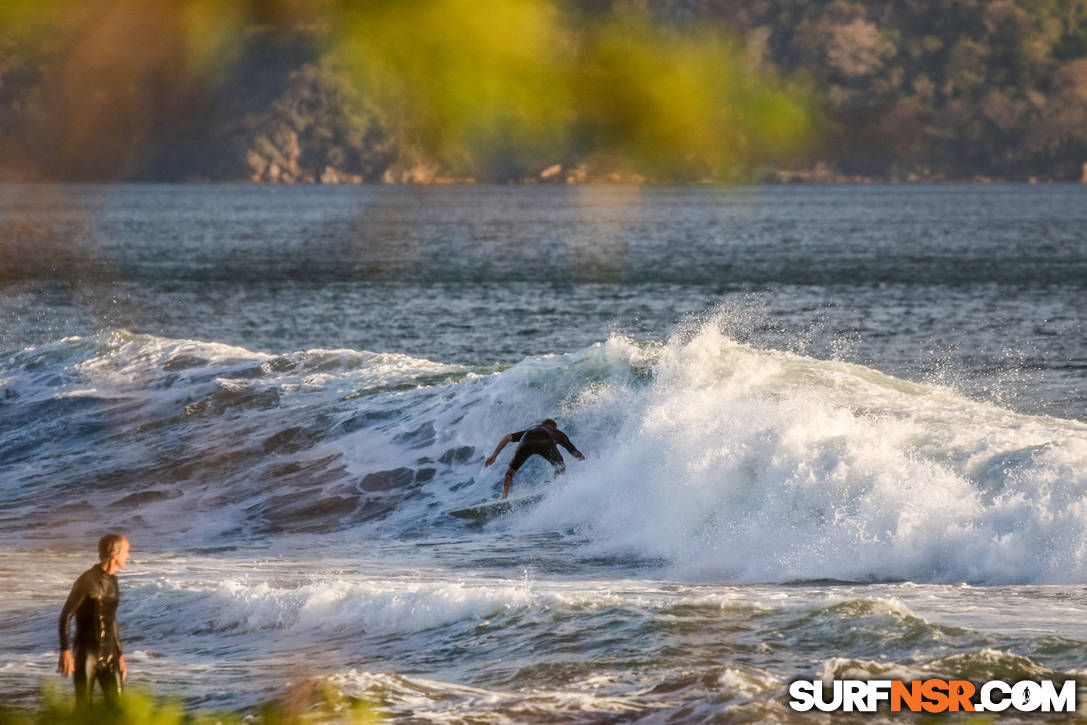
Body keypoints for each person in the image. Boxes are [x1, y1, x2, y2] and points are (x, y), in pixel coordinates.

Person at [58, 533, 130, 705]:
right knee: (84, 709)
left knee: (118, 709)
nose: (128, 556)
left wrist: (120, 655)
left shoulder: (113, 581)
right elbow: (66, 615)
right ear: (114, 554)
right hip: (86, 654)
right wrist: (65, 651)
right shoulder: (87, 580)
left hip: (110, 654)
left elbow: (112, 620)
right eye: (126, 551)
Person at [484, 419, 585, 499]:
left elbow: (507, 438)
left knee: (510, 472)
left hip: (527, 441)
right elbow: (573, 451)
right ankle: (556, 489)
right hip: (545, 441)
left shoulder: (531, 429)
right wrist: (584, 461)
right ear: (554, 427)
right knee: (560, 466)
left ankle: (504, 496)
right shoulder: (557, 433)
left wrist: (494, 456)